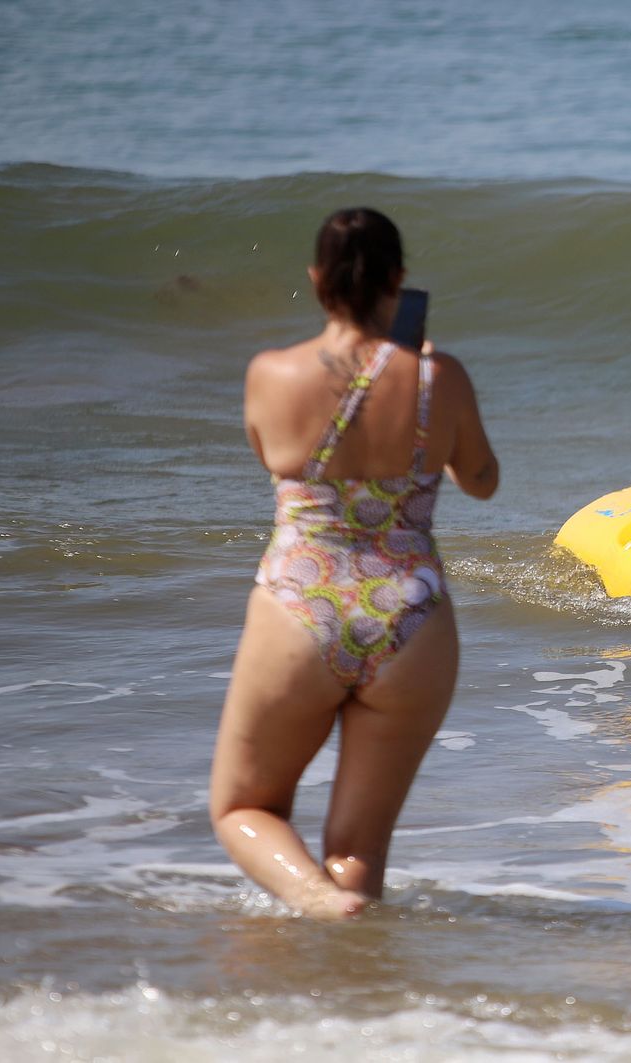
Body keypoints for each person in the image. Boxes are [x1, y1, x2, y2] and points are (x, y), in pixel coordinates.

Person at [210, 207, 499, 918]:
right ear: (399, 280)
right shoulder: (439, 377)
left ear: (316, 279)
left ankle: (316, 901)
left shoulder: (269, 374)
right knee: (360, 847)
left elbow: (273, 461)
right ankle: (354, 976)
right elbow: (482, 479)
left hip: (300, 603)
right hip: (412, 614)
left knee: (244, 806)